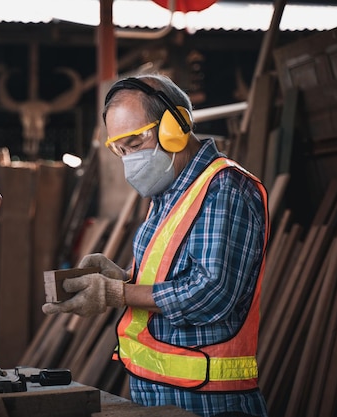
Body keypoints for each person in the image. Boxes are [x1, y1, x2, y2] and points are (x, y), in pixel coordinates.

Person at [42, 74, 270, 417]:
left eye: (134, 143)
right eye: (119, 149)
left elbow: (212, 291)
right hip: (157, 393)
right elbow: (170, 275)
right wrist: (122, 276)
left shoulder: (223, 188)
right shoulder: (167, 191)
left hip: (209, 402)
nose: (128, 159)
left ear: (174, 126)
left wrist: (117, 293)